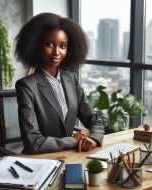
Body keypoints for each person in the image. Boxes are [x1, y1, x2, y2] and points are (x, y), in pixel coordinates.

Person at [15, 12, 104, 154]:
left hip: (70, 156)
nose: (57, 52)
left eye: (63, 46)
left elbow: (95, 121)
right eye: (49, 44)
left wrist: (94, 138)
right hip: (39, 161)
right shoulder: (26, 86)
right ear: (37, 45)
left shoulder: (71, 79)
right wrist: (74, 140)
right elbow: (33, 142)